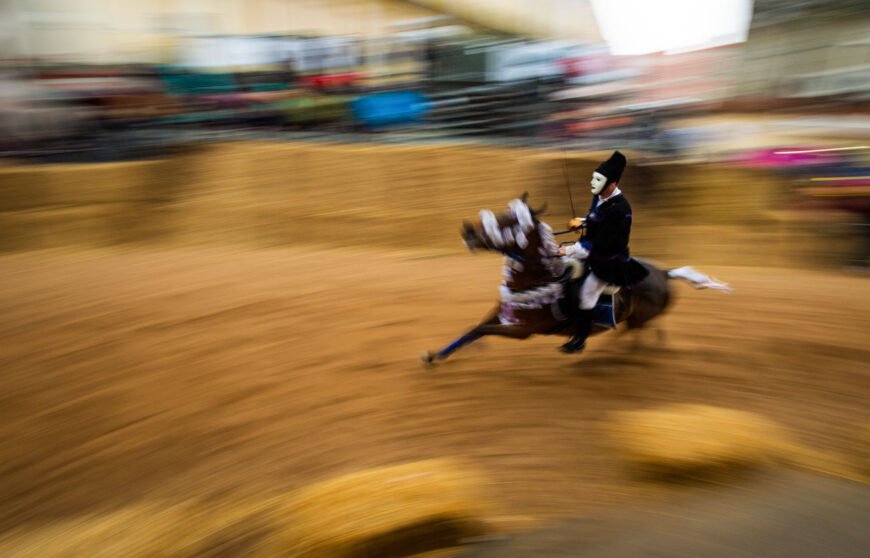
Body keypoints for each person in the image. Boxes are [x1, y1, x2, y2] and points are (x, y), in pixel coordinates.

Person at [557, 150, 649, 353]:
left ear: (612, 184)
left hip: (609, 261)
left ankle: (580, 339)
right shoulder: (600, 195)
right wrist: (581, 222)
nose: (592, 183)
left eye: (597, 179)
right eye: (593, 177)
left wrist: (568, 251)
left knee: (587, 294)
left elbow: (599, 244)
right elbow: (596, 219)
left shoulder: (620, 209)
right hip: (594, 249)